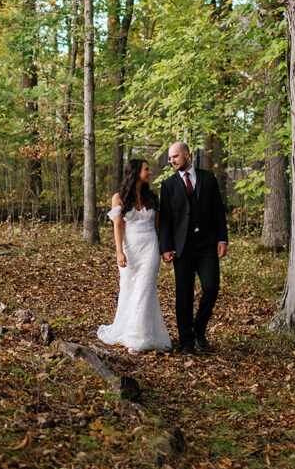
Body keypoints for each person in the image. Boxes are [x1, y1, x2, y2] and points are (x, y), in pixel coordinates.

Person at [159, 141, 228, 355]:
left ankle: (198, 327)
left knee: (211, 287)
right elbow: (165, 220)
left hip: (206, 245)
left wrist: (222, 239)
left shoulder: (207, 178)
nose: (172, 161)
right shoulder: (168, 185)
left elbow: (218, 209)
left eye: (175, 157)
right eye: (170, 158)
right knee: (184, 294)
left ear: (187, 155)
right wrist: (166, 247)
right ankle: (186, 342)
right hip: (182, 248)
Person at [97, 159, 172, 354]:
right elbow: (118, 226)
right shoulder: (119, 197)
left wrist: (163, 249)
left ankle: (140, 337)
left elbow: (157, 227)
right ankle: (127, 330)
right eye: (146, 169)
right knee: (129, 290)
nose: (149, 172)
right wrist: (119, 251)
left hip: (150, 248)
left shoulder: (153, 197)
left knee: (145, 290)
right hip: (130, 249)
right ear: (136, 171)